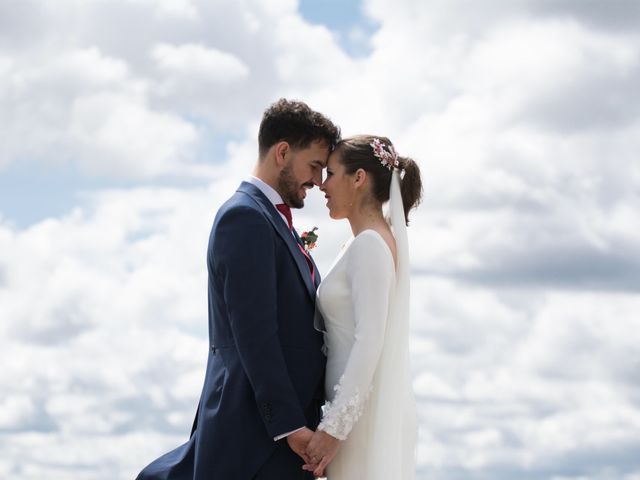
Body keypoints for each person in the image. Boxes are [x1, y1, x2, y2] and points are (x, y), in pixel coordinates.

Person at [136, 99, 340, 479]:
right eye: (314, 165)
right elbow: (254, 333)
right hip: (255, 434)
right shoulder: (244, 217)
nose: (318, 180)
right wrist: (289, 426)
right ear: (282, 152)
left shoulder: (271, 220)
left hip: (281, 433)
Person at [303, 135, 422, 479]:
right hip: (352, 415)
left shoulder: (370, 244)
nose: (323, 185)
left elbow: (369, 341)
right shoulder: (363, 241)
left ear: (358, 179)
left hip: (355, 422)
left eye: (332, 173)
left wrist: (333, 430)